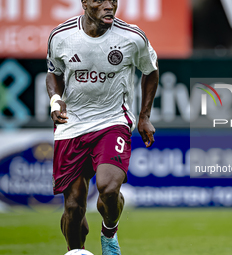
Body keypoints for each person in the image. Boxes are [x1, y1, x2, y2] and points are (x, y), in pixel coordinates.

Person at [46, 0, 159, 254]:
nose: (109, 6)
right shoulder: (61, 36)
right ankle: (76, 250)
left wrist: (144, 116)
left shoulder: (132, 37)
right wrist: (55, 101)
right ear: (85, 3)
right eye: (100, 1)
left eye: (113, 0)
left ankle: (109, 233)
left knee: (108, 188)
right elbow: (53, 72)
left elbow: (150, 70)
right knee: (74, 207)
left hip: (112, 122)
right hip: (72, 125)